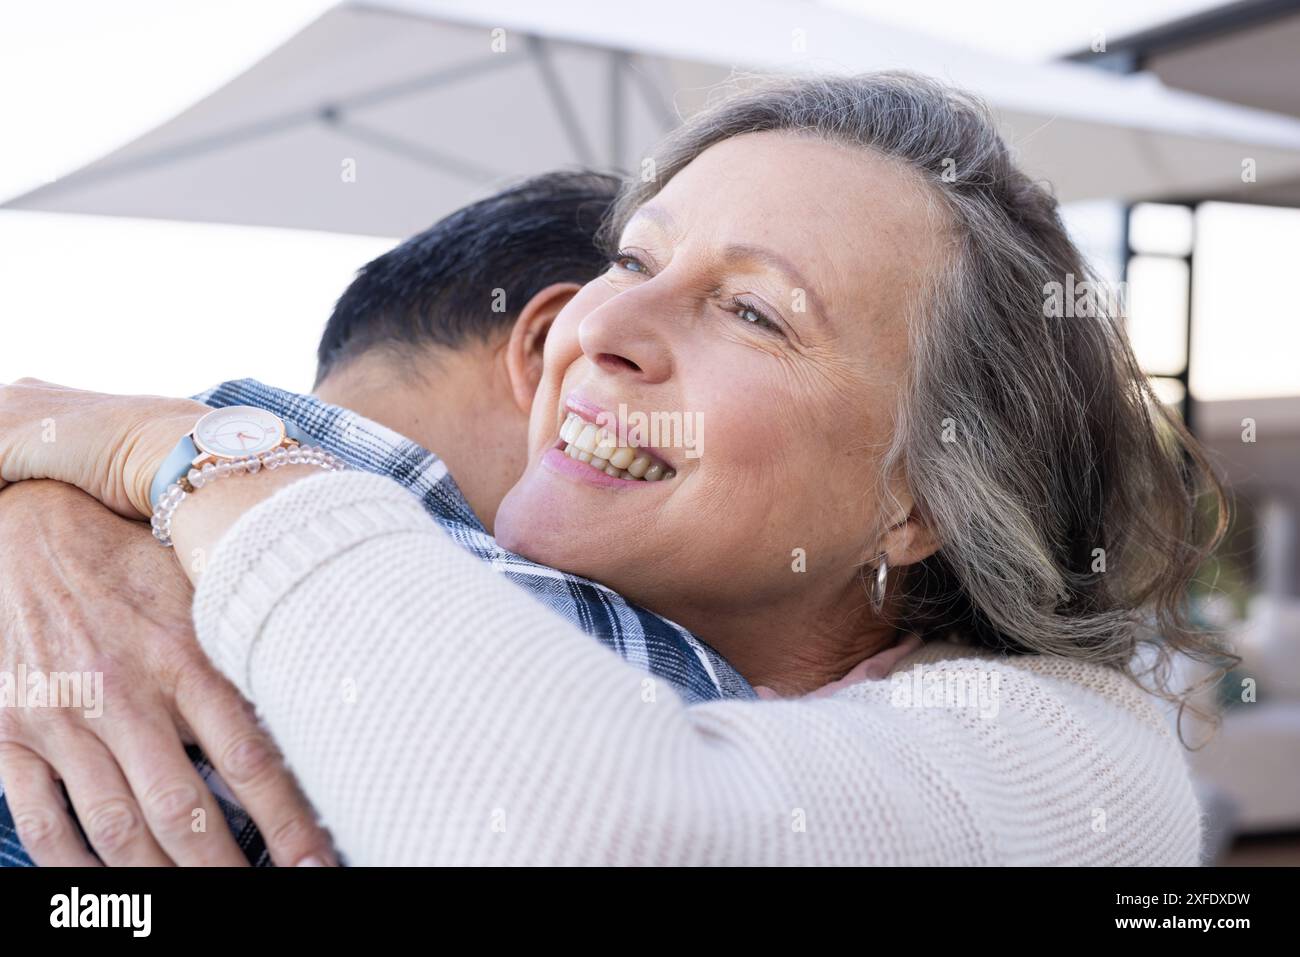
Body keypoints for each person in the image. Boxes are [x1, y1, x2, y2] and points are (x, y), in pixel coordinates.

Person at [0, 73, 1233, 865]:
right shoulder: (497, 609)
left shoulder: (1071, 770)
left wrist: (173, 451)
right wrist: (48, 516)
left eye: (754, 312)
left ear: (917, 501)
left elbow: (583, 834)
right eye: (636, 262)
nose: (600, 332)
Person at [0, 171, 753, 868]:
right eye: (632, 270)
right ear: (550, 339)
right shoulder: (616, 668)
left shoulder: (97, 474)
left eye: (748, 317)